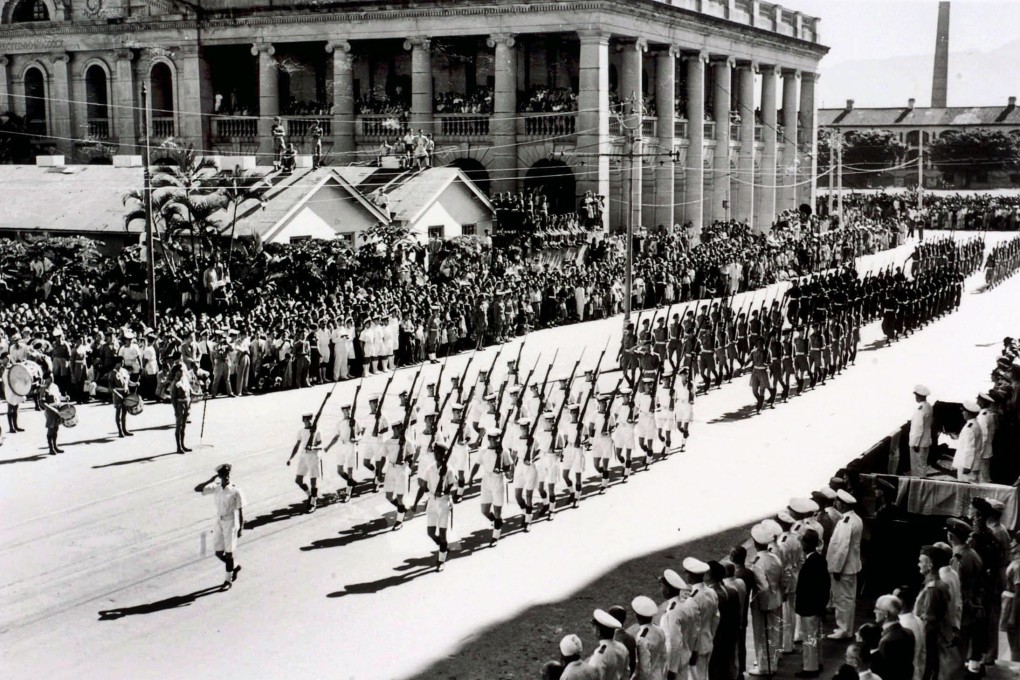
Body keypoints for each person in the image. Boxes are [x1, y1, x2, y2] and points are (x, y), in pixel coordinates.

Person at [194, 464, 244, 590]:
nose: (226, 477)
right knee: (218, 552)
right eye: (223, 475)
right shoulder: (216, 488)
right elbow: (198, 489)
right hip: (219, 522)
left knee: (228, 554)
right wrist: (211, 480)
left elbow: (240, 510)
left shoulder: (235, 490)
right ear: (219, 476)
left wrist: (241, 527)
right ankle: (235, 567)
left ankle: (228, 581)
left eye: (228, 474)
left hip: (231, 522)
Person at [827, 490, 863, 640]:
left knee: (843, 599)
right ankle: (846, 627)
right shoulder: (856, 518)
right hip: (851, 565)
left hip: (844, 567)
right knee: (848, 598)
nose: (835, 504)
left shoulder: (846, 522)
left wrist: (836, 568)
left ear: (842, 503)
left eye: (837, 502)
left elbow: (842, 548)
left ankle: (844, 629)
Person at [914, 545, 954, 680]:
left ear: (930, 565)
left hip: (929, 637)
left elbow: (930, 619)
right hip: (933, 636)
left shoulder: (933, 588)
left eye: (921, 561)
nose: (918, 564)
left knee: (928, 667)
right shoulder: (935, 584)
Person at [749, 522, 784, 677]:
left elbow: (762, 587)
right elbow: (783, 578)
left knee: (762, 635)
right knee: (773, 633)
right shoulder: (775, 557)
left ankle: (764, 666)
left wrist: (760, 603)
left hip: (764, 603)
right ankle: (772, 662)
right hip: (777, 598)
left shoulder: (757, 563)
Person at [795, 529, 829, 678]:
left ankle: (810, 668)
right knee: (815, 637)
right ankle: (817, 662)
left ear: (806, 543)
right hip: (816, 606)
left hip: (809, 607)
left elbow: (806, 588)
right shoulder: (819, 559)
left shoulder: (811, 563)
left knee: (809, 638)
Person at [871, 594, 916, 680]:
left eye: (877, 609)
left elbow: (882, 672)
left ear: (885, 614)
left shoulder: (886, 641)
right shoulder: (909, 633)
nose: (874, 611)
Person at [287, 413, 323, 513]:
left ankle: (313, 502)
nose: (309, 421)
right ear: (303, 421)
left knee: (313, 480)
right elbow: (297, 445)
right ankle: (310, 495)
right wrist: (290, 458)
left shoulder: (317, 431)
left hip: (313, 457)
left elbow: (321, 446)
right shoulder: (301, 431)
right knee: (298, 480)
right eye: (307, 419)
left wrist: (313, 447)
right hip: (303, 457)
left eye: (311, 419)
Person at [628, 595, 667, 680]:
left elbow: (644, 670)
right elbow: (664, 655)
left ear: (637, 616)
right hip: (659, 675)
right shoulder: (659, 629)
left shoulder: (642, 639)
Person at [588, 608, 629, 680]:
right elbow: (626, 674)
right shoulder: (622, 648)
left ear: (598, 631)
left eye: (593, 627)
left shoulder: (599, 655)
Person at [951, 400, 982, 482]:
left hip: (967, 465)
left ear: (968, 413)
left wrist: (967, 466)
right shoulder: (974, 424)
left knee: (965, 488)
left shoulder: (969, 427)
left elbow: (969, 449)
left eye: (963, 411)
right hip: (971, 463)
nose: (962, 413)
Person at [907, 385, 933, 477]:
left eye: (916, 395)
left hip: (919, 443)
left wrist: (915, 443)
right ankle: (922, 484)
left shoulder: (920, 409)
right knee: (923, 465)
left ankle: (918, 487)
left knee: (917, 468)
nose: (916, 397)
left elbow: (918, 428)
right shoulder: (928, 406)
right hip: (925, 441)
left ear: (919, 396)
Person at [110, 355, 136, 437]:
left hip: (126, 392)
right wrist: (118, 394)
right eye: (120, 362)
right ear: (116, 363)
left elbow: (128, 382)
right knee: (118, 412)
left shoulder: (124, 371)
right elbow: (111, 387)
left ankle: (125, 429)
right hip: (118, 394)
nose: (122, 364)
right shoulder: (112, 373)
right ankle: (120, 430)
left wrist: (135, 383)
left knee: (125, 412)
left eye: (123, 362)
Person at [170, 363, 192, 453]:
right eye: (180, 370)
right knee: (178, 426)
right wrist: (175, 410)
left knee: (184, 426)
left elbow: (190, 392)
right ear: (176, 372)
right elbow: (173, 398)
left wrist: (202, 394)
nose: (182, 372)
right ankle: (178, 447)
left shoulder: (184, 380)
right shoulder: (174, 383)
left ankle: (183, 445)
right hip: (179, 405)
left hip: (186, 403)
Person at [41, 376, 65, 455]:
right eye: (49, 377)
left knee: (56, 428)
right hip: (50, 411)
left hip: (57, 409)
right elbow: (42, 402)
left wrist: (65, 398)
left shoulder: (55, 386)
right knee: (51, 429)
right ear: (45, 378)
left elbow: (58, 397)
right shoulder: (43, 388)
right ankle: (51, 448)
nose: (51, 378)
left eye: (52, 377)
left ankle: (55, 446)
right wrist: (51, 408)